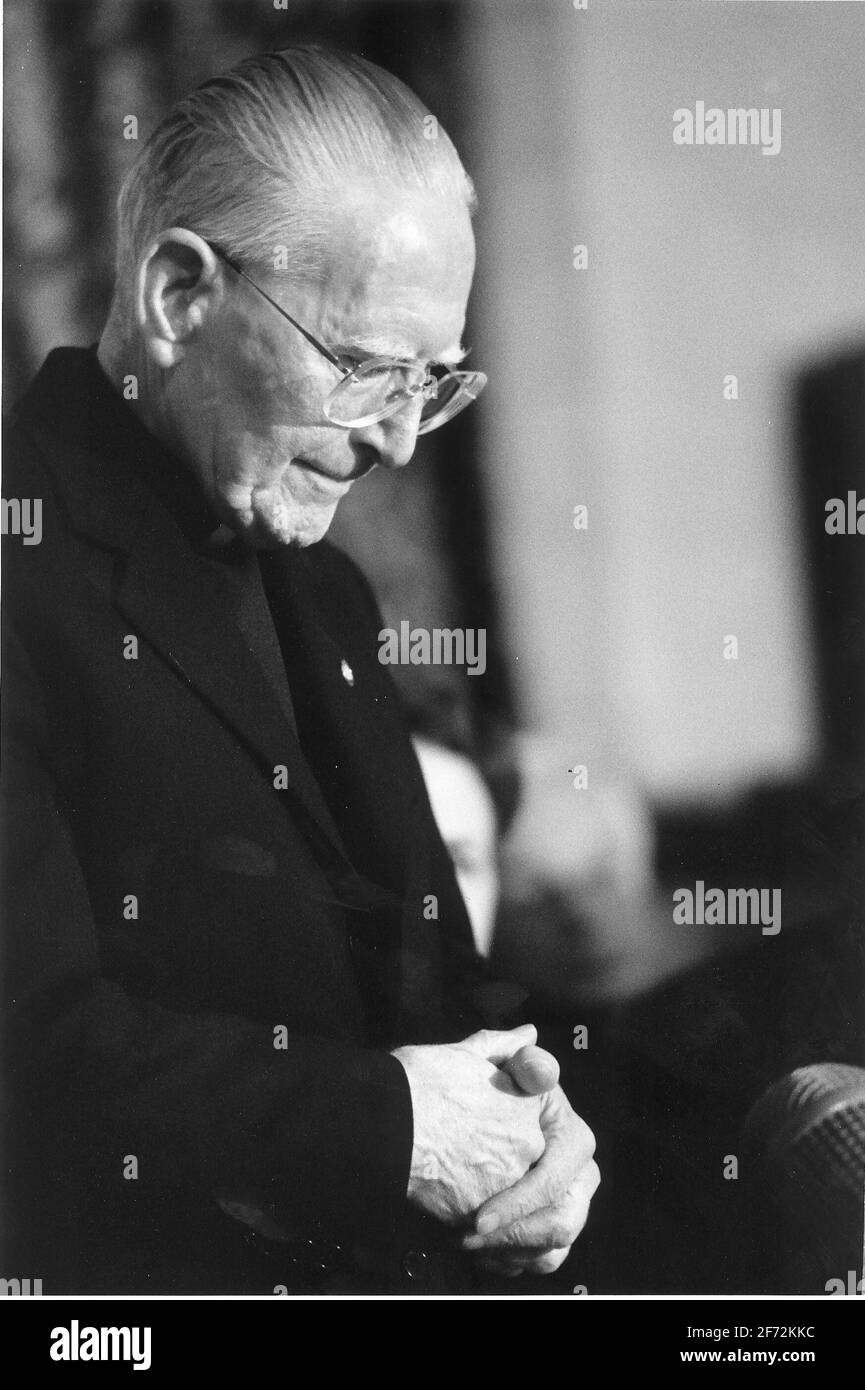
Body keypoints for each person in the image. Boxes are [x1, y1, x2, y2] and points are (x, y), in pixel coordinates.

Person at [0, 45, 598, 1295]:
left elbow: (447, 971)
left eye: (429, 385)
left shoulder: (324, 589)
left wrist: (547, 1128)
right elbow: (31, 1051)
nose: (393, 438)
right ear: (176, 297)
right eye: (366, 367)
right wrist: (394, 1127)